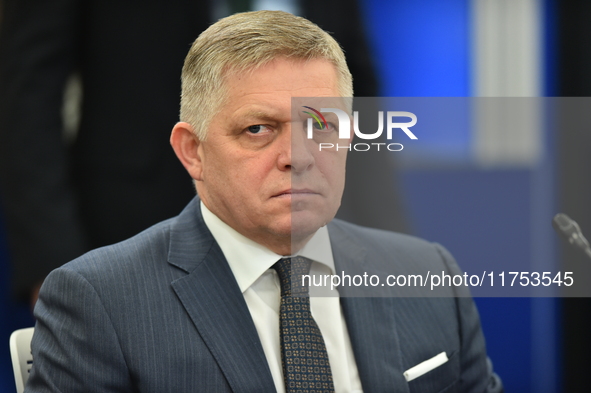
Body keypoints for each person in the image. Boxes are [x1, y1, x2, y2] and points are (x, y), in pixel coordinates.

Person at [26, 11, 502, 392]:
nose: (298, 157)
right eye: (258, 129)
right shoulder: (99, 302)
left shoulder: (426, 274)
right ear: (193, 151)